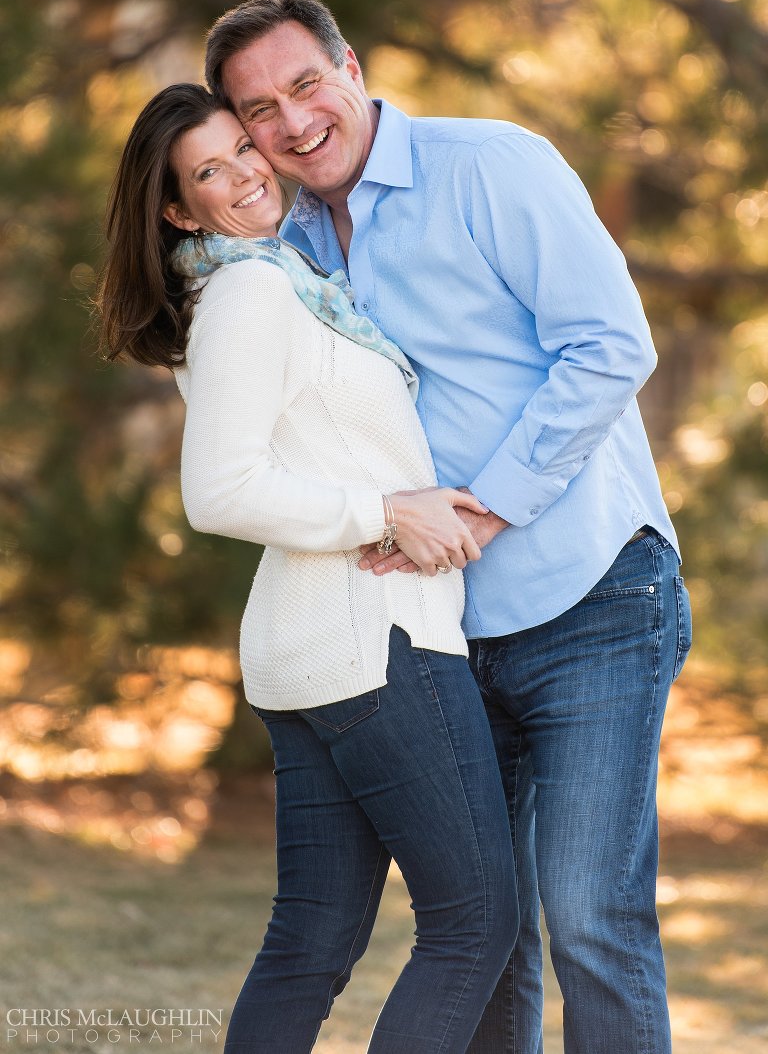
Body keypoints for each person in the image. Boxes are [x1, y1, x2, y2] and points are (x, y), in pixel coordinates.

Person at [204, 0, 694, 1054]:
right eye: (258, 112)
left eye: (305, 84)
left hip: (593, 593)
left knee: (590, 918)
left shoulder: (490, 166)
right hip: (447, 632)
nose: (291, 122)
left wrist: (491, 510)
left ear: (354, 70)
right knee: (490, 933)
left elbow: (611, 345)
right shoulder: (289, 248)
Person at [96, 82, 518, 1054]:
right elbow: (222, 490)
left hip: (319, 648)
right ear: (176, 208)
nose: (246, 170)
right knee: (473, 922)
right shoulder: (250, 292)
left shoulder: (274, 282)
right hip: (377, 639)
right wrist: (387, 511)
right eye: (210, 170)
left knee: (313, 939)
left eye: (244, 145)